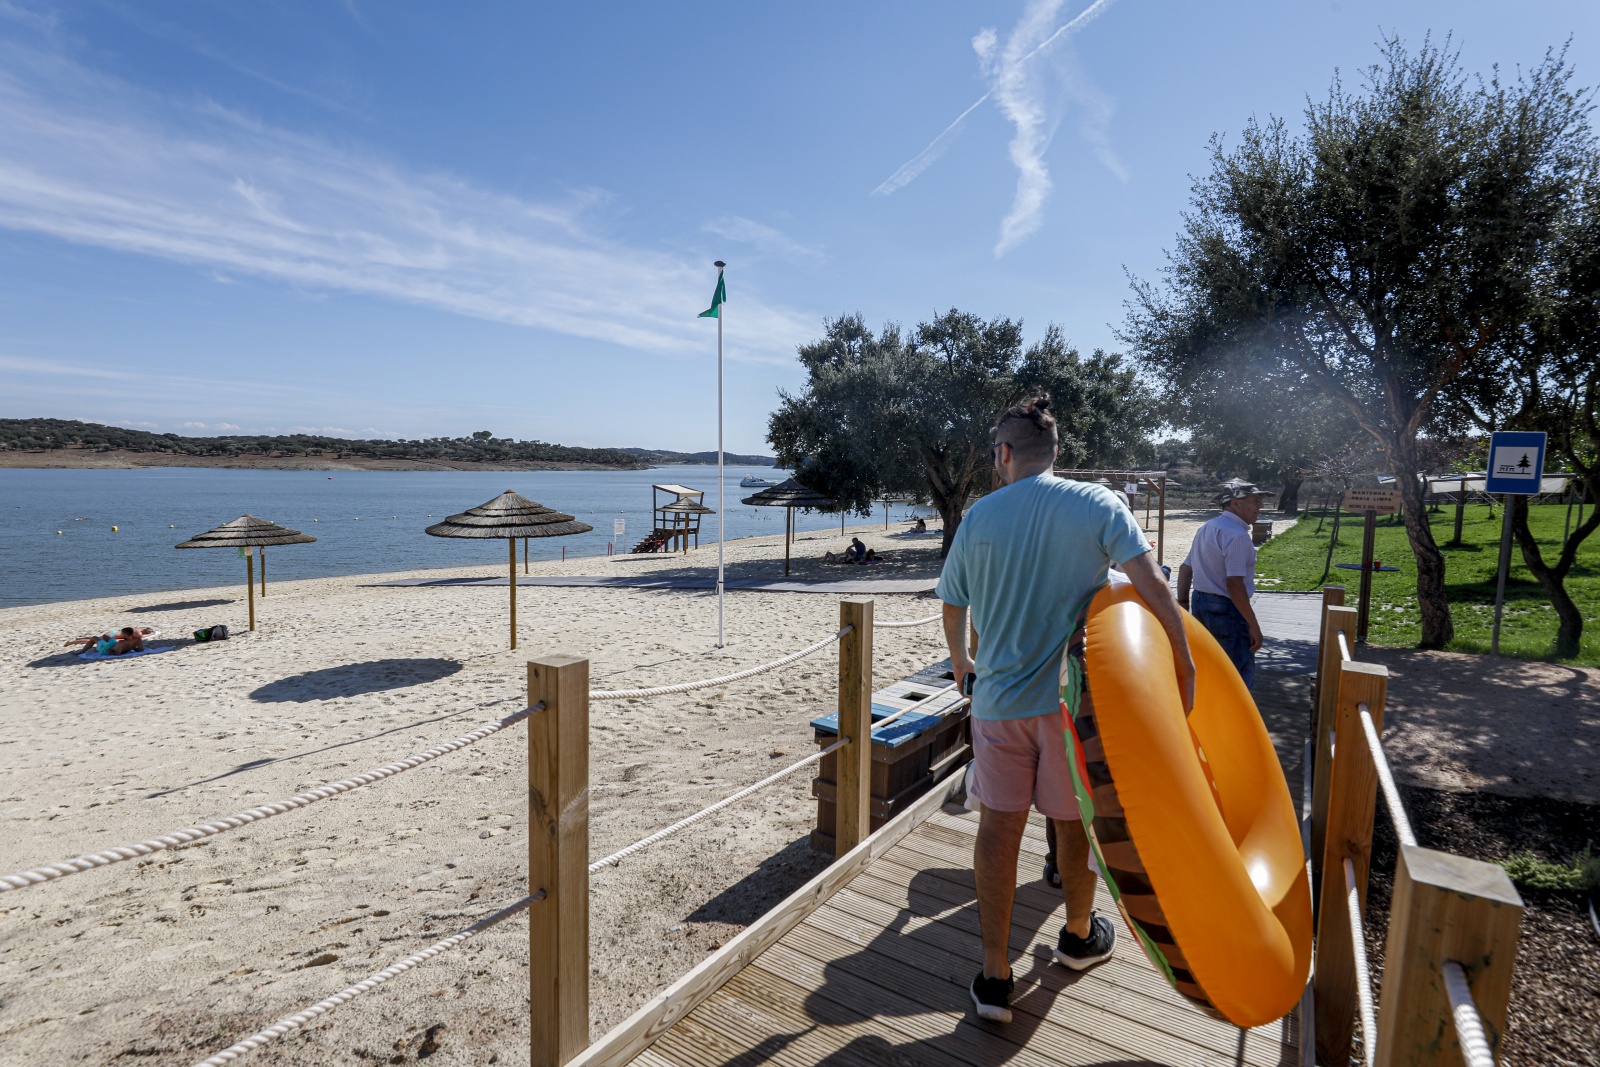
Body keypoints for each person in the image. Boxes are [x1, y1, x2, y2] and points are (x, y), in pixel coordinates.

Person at [938, 395, 1195, 1024]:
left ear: (1003, 454)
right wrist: (1183, 659)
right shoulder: (1098, 505)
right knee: (1071, 828)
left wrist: (963, 664)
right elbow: (1150, 583)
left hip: (998, 704)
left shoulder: (978, 517)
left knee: (998, 829)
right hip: (1068, 708)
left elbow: (953, 604)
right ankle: (1078, 938)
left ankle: (995, 977)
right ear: (1056, 454)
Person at [1177, 483, 1272, 689]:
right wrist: (1253, 625)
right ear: (1236, 503)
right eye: (1255, 501)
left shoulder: (1207, 528)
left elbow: (1185, 568)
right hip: (1227, 609)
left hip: (1201, 602)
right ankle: (1237, 717)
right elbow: (1234, 584)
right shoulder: (1237, 536)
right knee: (1235, 671)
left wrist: (1183, 604)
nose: (1261, 506)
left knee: (1207, 664)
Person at [66, 626, 152, 655]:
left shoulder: (122, 642)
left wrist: (110, 651)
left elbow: (116, 654)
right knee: (104, 636)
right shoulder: (137, 639)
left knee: (94, 638)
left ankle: (81, 652)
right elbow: (140, 650)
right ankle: (76, 641)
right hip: (114, 643)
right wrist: (131, 648)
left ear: (125, 634)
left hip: (106, 647)